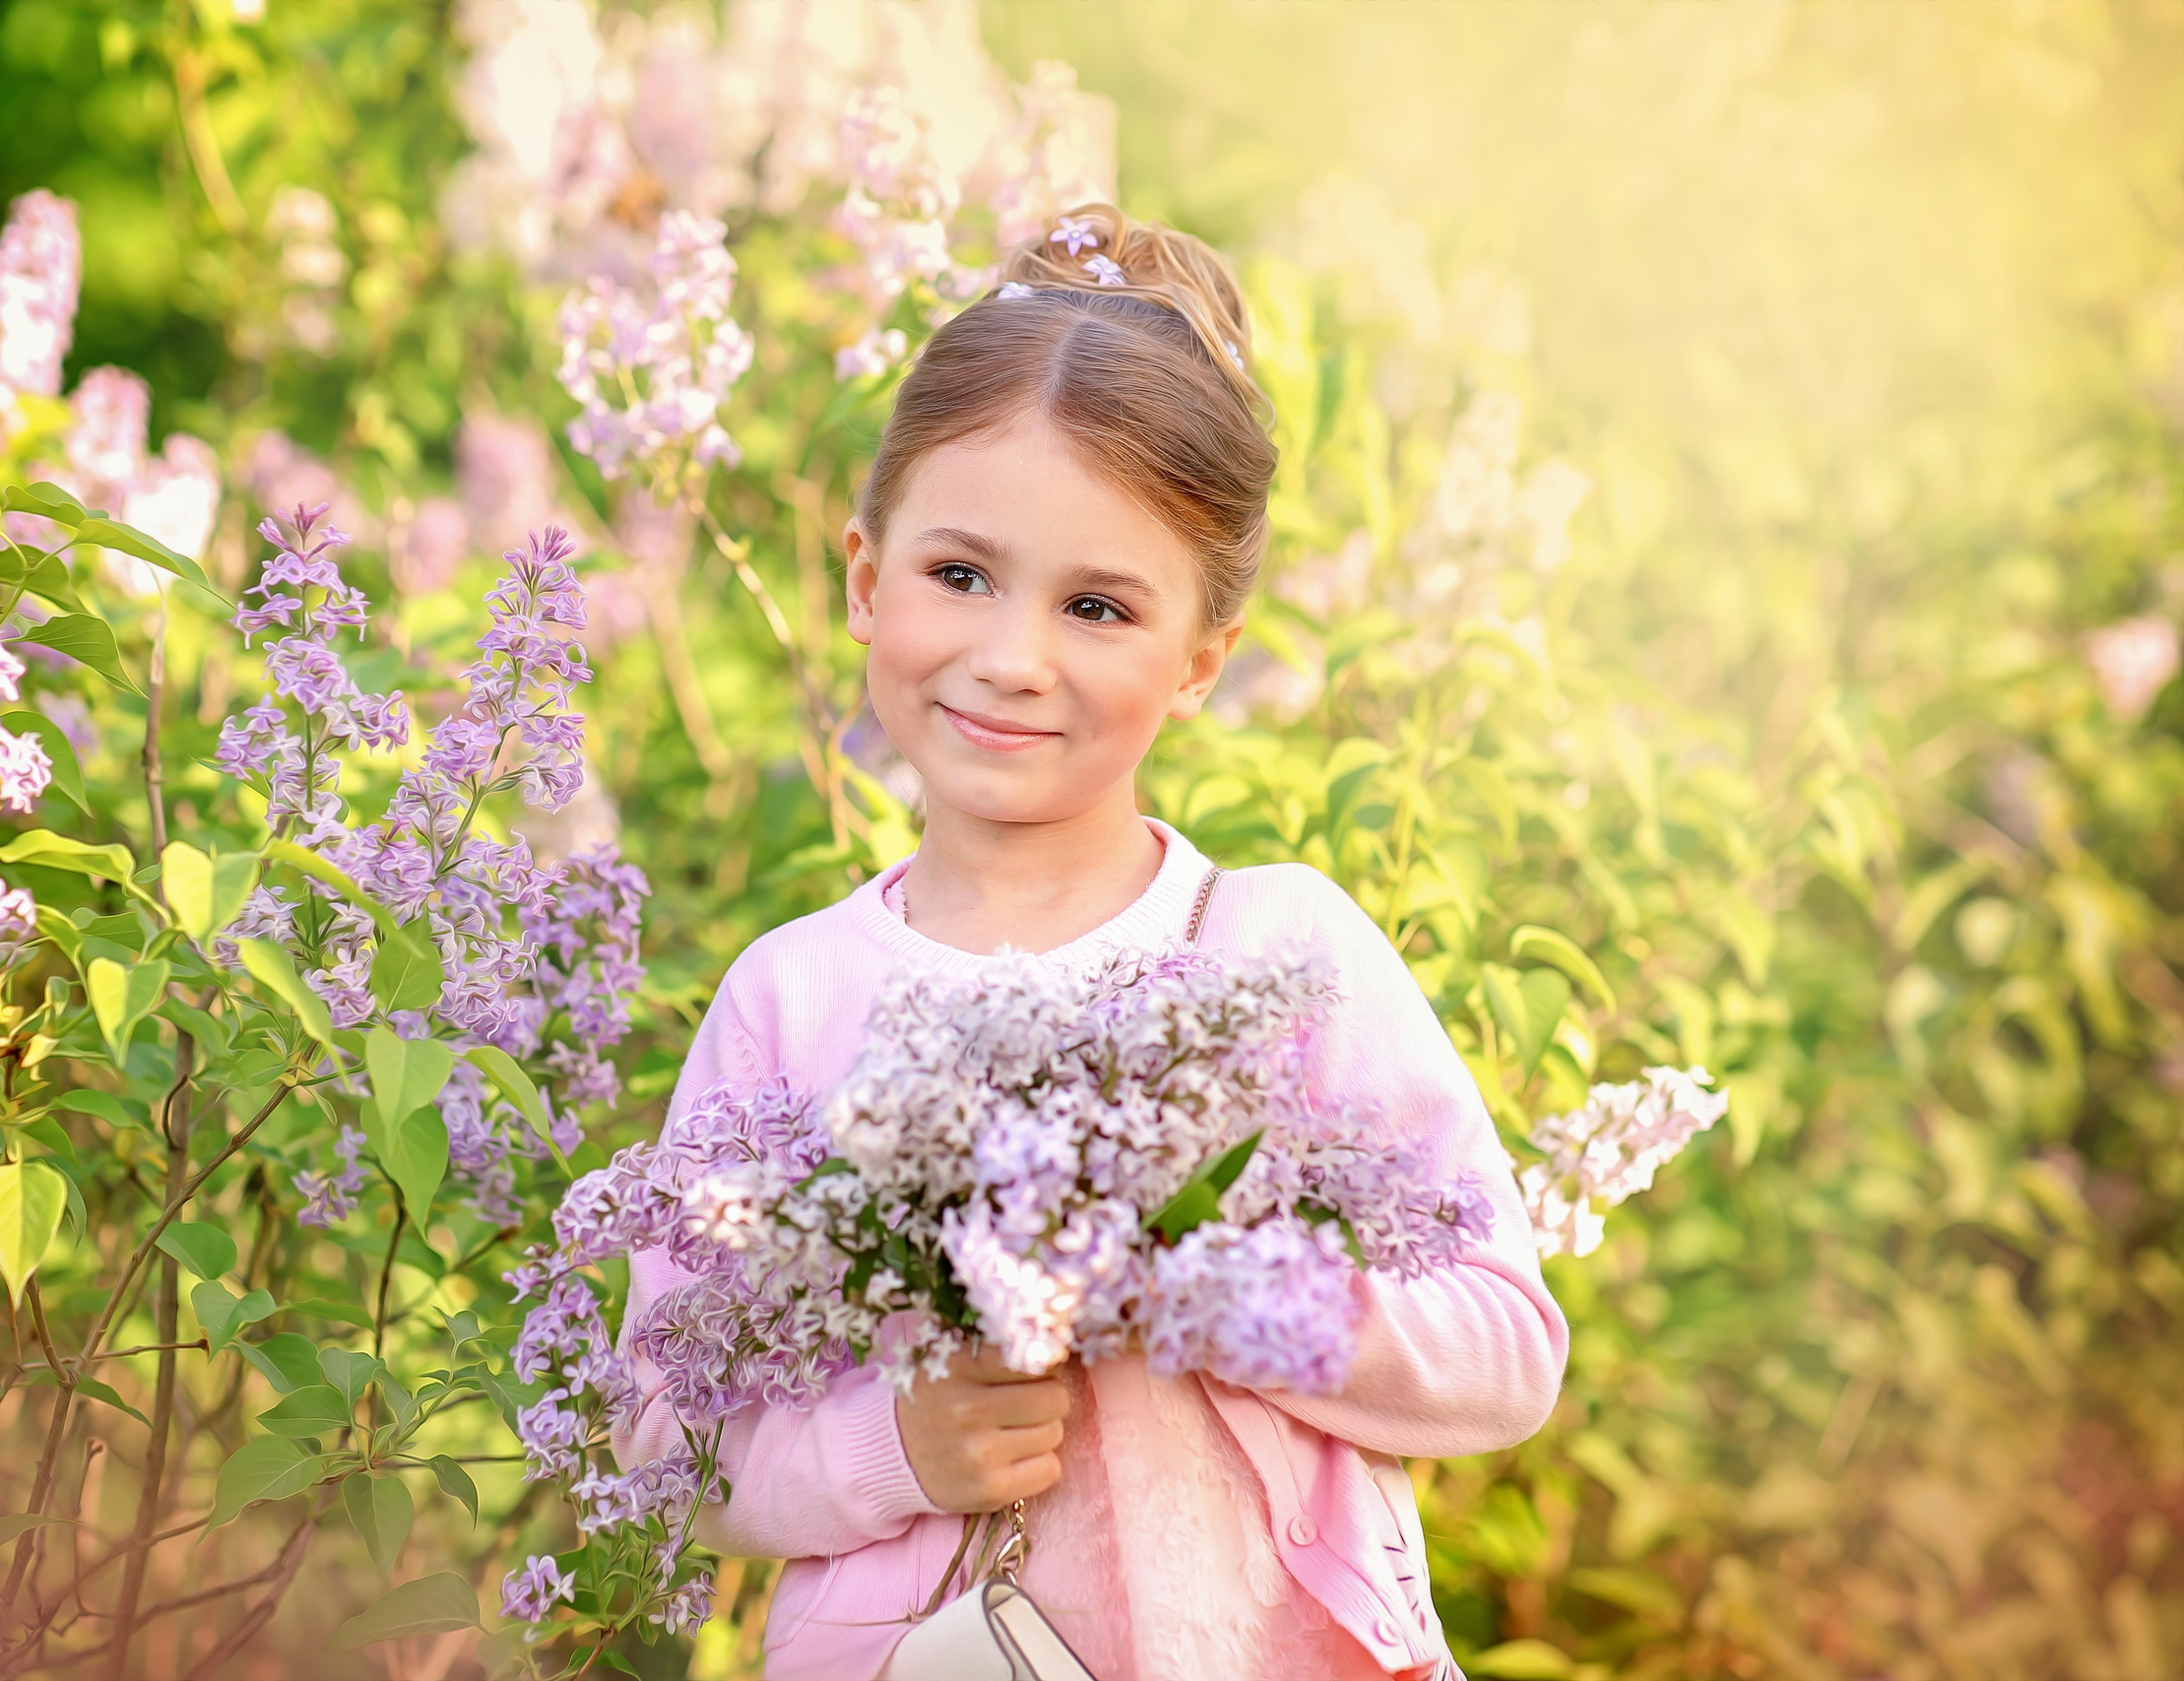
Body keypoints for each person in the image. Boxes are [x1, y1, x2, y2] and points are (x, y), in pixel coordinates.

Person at [615, 204, 1568, 1681]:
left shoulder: (1271, 952)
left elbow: (1506, 1348)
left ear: (1201, 660)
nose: (1013, 655)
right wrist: (891, 1451)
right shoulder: (794, 997)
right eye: (960, 575)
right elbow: (661, 1437)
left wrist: (1225, 1293)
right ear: (865, 576)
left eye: (1099, 606)